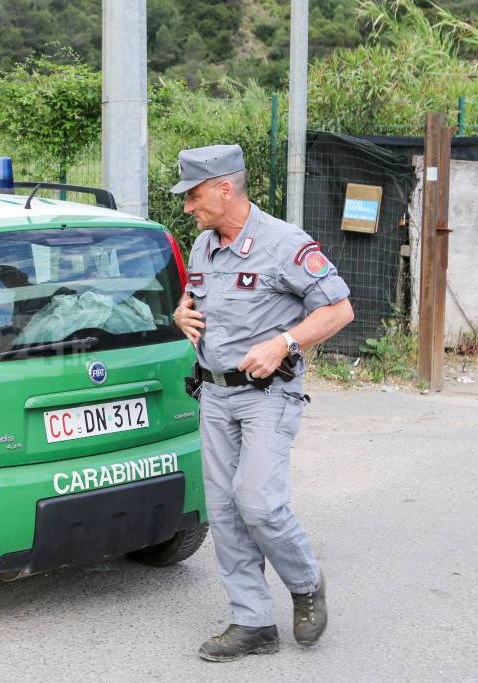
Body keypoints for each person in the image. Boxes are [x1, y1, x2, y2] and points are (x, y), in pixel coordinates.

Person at [170, 145, 354, 662]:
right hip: (213, 393)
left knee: (259, 503)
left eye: (194, 195)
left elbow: (339, 309)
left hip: (267, 395)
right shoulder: (205, 246)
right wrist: (182, 315)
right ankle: (252, 622)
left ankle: (306, 583)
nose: (188, 207)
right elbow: (196, 300)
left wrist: (284, 343)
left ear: (225, 189)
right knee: (225, 512)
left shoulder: (284, 244)